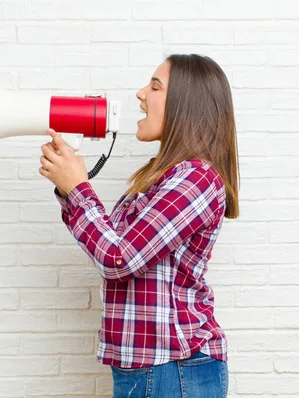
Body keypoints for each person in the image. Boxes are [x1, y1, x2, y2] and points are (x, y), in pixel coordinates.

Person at [39, 53, 240, 398]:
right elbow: (111, 245)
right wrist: (69, 188)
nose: (140, 94)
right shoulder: (162, 178)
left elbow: (119, 259)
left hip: (173, 369)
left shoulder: (196, 178)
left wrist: (78, 188)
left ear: (185, 104)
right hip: (152, 368)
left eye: (155, 86)